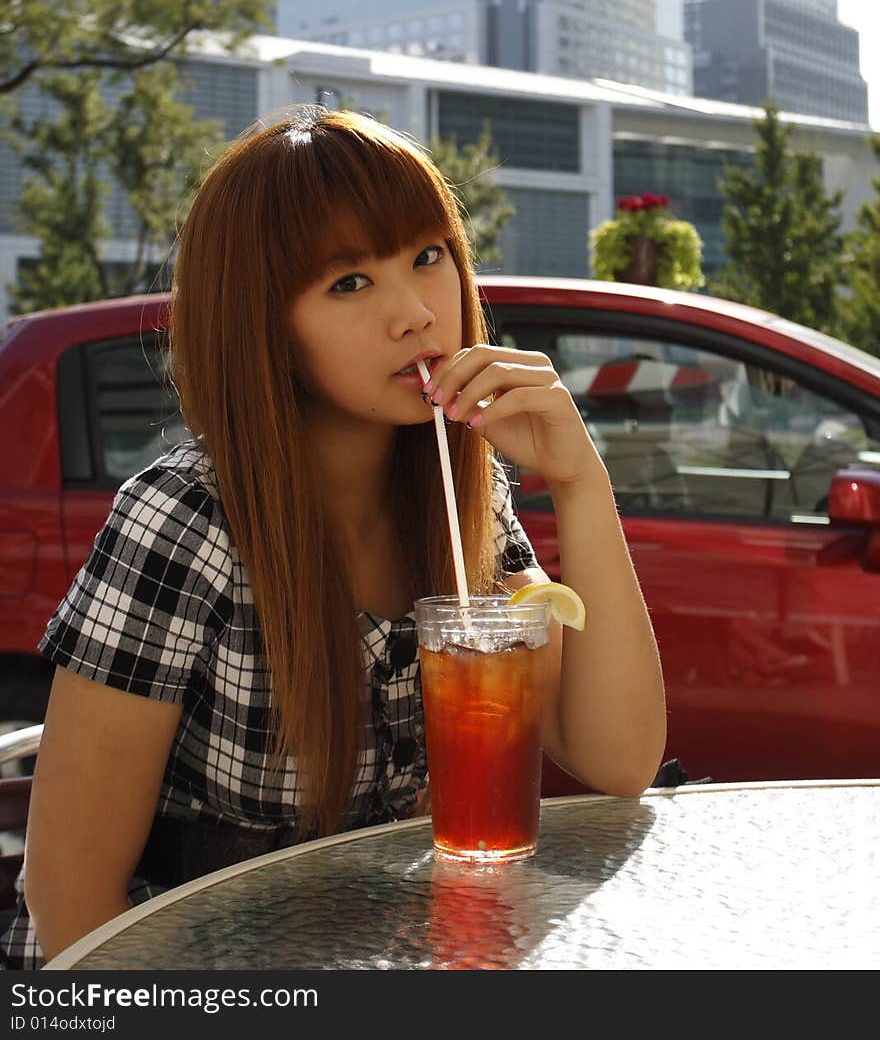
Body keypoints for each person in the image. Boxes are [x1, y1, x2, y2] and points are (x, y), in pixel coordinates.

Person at [0, 107, 666, 969]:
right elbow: (70, 899)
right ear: (265, 324)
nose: (417, 314)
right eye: (350, 283)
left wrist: (581, 480)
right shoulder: (186, 522)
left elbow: (618, 761)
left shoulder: (462, 496)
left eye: (428, 258)